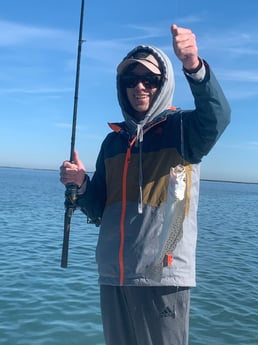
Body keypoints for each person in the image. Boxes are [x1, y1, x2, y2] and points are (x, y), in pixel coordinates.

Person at [60, 24, 231, 345]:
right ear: (121, 87)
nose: (139, 87)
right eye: (130, 80)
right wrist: (81, 184)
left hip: (162, 275)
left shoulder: (183, 129)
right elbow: (99, 210)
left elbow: (218, 116)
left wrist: (194, 66)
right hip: (114, 275)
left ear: (163, 84)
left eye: (150, 80)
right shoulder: (112, 142)